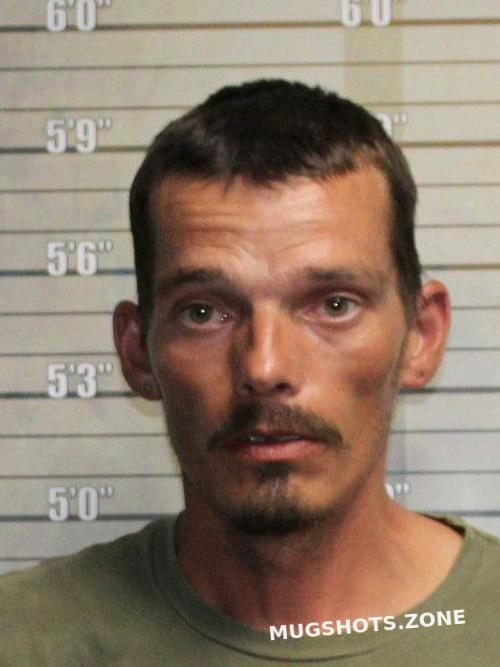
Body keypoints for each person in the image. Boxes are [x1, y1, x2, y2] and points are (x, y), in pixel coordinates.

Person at [1, 79, 499, 666]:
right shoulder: (23, 640)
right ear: (137, 352)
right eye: (204, 312)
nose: (265, 367)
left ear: (421, 336)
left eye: (334, 305)